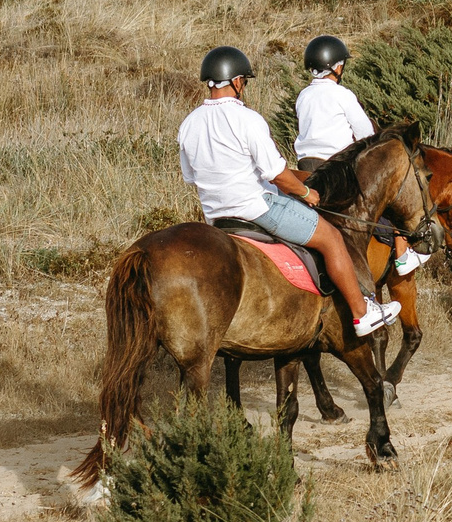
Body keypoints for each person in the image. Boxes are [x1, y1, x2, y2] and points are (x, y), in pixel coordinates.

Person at [179, 45, 396, 338]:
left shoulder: (189, 124)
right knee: (331, 238)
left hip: (216, 216)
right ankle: (362, 313)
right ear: (236, 81)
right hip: (258, 208)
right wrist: (306, 194)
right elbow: (277, 174)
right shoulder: (247, 119)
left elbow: (190, 177)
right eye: (244, 80)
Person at [295, 34, 427, 278]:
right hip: (338, 168)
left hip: (306, 166)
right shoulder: (342, 95)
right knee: (387, 196)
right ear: (337, 67)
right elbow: (366, 134)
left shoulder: (303, 96)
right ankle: (402, 255)